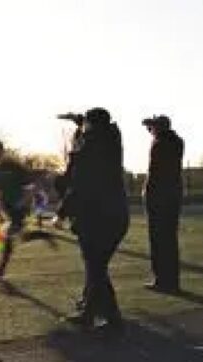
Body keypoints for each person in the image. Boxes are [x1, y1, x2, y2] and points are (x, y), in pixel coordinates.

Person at [59, 108, 129, 337]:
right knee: (96, 267)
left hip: (97, 216)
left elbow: (80, 182)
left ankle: (111, 318)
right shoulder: (110, 138)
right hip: (114, 215)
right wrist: (80, 125)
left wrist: (62, 210)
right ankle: (91, 313)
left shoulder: (90, 148)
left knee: (96, 267)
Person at [142, 115, 184, 293]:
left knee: (159, 240)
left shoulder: (159, 144)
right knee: (170, 240)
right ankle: (171, 280)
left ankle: (162, 279)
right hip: (173, 195)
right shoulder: (177, 142)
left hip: (159, 197)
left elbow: (155, 172)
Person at [0, 140, 32, 278]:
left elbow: (29, 185)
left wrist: (24, 201)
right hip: (10, 208)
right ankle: (1, 267)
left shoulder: (13, 165)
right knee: (11, 236)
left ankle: (1, 268)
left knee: (8, 236)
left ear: (1, 151)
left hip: (18, 207)